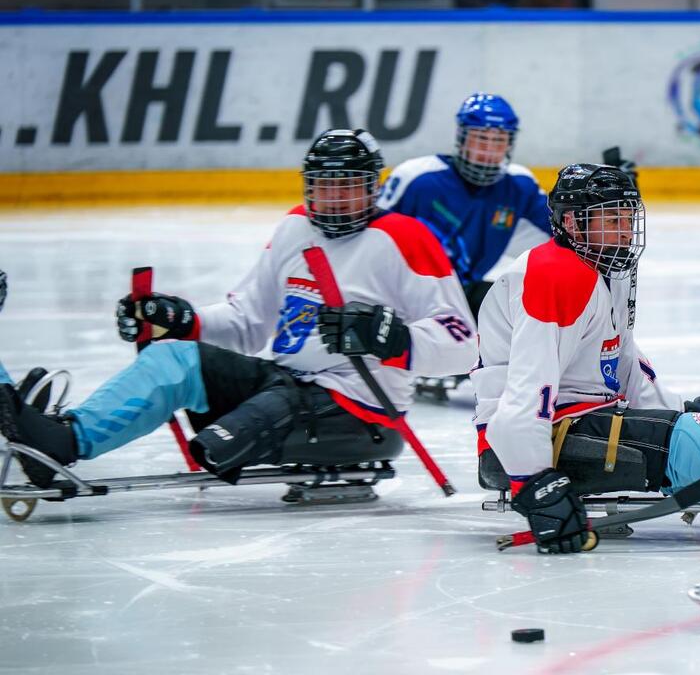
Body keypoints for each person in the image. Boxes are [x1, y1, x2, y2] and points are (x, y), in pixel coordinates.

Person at [0, 129, 477, 489]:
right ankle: (63, 440)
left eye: (348, 185)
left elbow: (462, 344)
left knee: (215, 445)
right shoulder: (295, 228)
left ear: (373, 188)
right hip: (284, 381)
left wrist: (391, 337)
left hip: (356, 405)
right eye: (323, 185)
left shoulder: (405, 238)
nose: (333, 198)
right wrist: (186, 321)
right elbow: (249, 320)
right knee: (170, 359)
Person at [472, 163, 700, 554]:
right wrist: (535, 485)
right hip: (531, 443)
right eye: (611, 218)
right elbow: (524, 399)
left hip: (581, 424)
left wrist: (693, 413)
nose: (624, 230)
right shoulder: (555, 274)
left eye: (628, 217)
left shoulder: (608, 270)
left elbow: (622, 366)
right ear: (571, 222)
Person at [376, 93, 552, 318]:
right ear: (462, 138)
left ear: (509, 145)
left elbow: (565, 226)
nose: (488, 151)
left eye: (498, 141)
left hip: (462, 294)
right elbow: (372, 235)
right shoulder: (416, 178)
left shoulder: (519, 185)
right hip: (404, 295)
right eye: (480, 139)